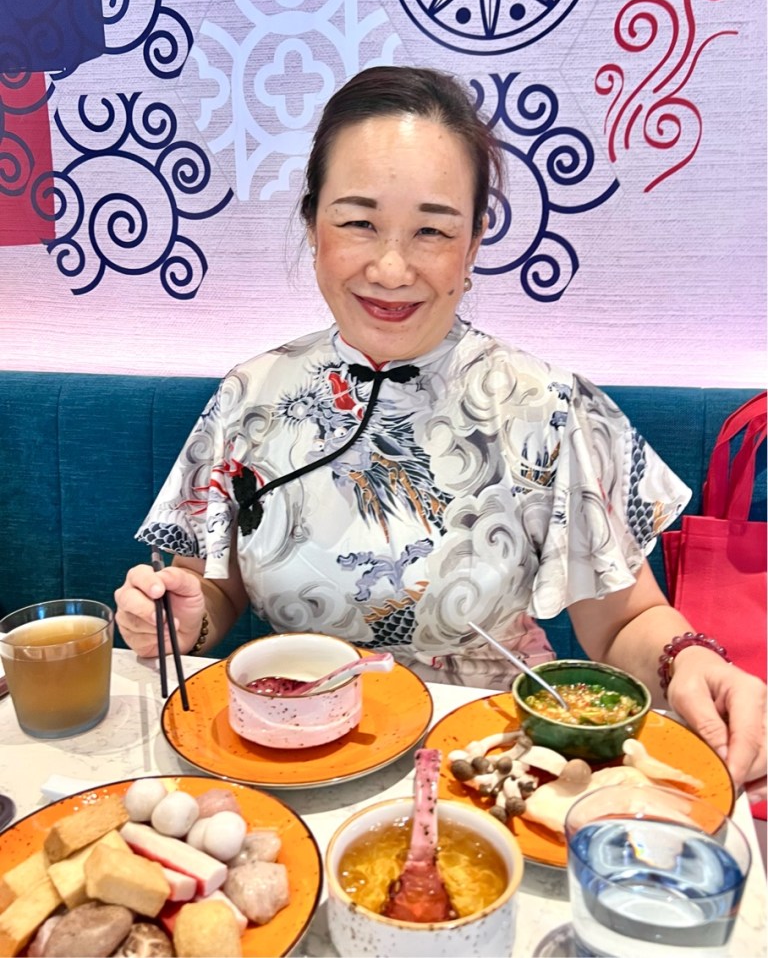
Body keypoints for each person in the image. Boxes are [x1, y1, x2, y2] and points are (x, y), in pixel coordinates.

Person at [115, 65, 766, 805]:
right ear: (312, 223)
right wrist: (183, 618)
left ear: (474, 241)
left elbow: (625, 623)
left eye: (432, 229)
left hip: (489, 761)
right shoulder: (249, 395)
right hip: (294, 749)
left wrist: (690, 660)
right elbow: (214, 588)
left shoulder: (549, 405)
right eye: (358, 222)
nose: (392, 268)